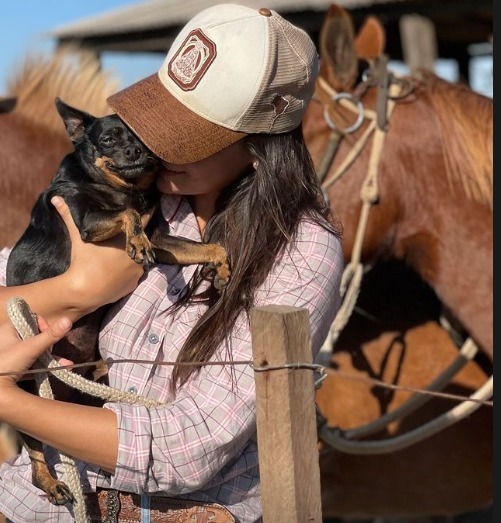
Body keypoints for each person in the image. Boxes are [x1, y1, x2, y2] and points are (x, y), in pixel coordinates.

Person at [0, 4, 343, 522]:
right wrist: (74, 285)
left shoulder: (300, 250)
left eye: (187, 134)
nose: (158, 144)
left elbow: (190, 447)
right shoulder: (135, 200)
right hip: (37, 504)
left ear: (260, 144)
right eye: (157, 120)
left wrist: (8, 403)